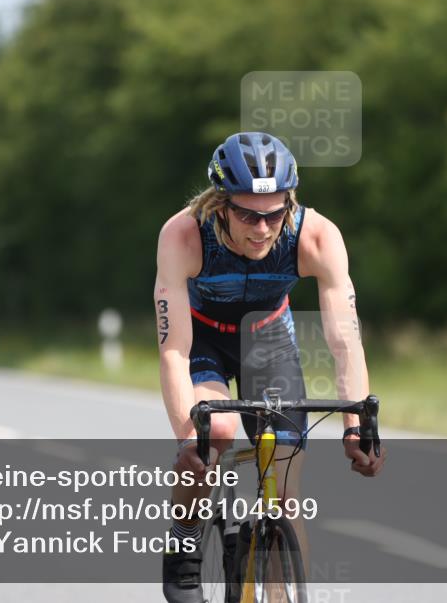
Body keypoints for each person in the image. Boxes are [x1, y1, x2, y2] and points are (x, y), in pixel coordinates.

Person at [155, 132, 385, 601]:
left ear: (289, 203)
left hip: (268, 340)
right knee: (213, 434)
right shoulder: (183, 234)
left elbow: (345, 342)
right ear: (220, 205)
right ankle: (183, 547)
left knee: (284, 494)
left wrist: (355, 424)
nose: (262, 229)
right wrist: (186, 439)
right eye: (247, 215)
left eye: (274, 215)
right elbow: (174, 349)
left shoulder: (317, 236)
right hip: (202, 341)